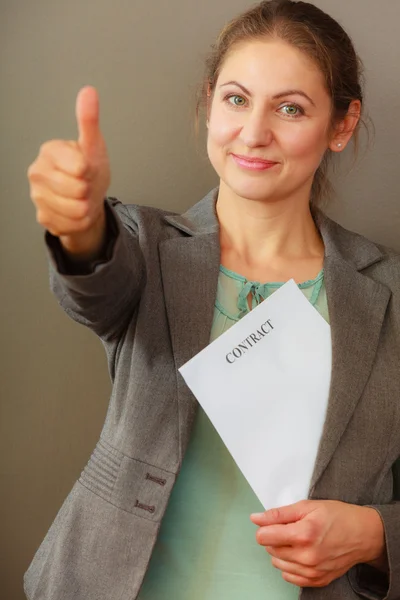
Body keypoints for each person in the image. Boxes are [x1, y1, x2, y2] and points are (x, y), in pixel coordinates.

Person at [24, 1, 400, 599]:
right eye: (236, 98)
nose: (253, 132)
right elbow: (95, 285)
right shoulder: (145, 248)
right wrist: (79, 227)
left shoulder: (389, 294)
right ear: (209, 103)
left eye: (290, 108)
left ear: (342, 125)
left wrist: (379, 533)